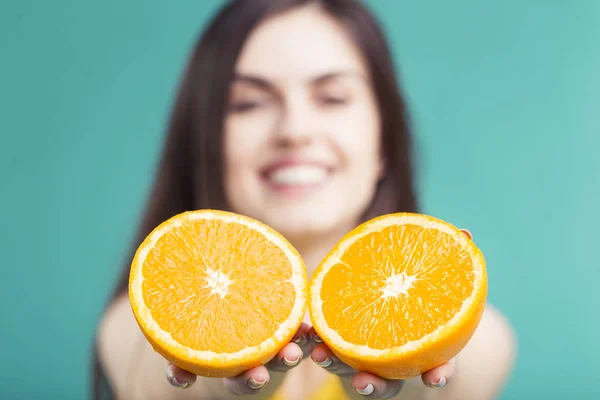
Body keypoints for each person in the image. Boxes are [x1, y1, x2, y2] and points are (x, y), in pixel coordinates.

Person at [93, 0, 517, 399]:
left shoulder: (479, 343)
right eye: (248, 103)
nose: (294, 129)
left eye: (332, 97)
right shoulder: (130, 331)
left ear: (384, 142)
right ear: (205, 143)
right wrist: (214, 381)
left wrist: (411, 377)